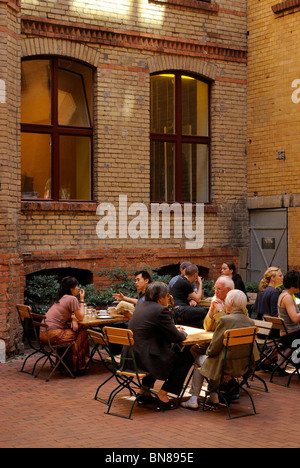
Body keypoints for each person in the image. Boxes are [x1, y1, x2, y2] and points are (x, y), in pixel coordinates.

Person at [126, 282, 194, 410]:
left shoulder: (141, 306)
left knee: (169, 352)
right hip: (146, 360)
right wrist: (182, 332)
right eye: (168, 296)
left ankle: (144, 391)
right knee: (186, 357)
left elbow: (153, 328)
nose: (169, 298)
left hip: (131, 358)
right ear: (160, 298)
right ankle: (163, 395)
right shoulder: (160, 310)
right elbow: (178, 338)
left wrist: (172, 328)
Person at [181, 275, 234, 409]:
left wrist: (221, 312)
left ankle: (195, 398)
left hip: (230, 356)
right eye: (214, 288)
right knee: (197, 352)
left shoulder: (234, 305)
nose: (215, 292)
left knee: (200, 360)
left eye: (219, 289)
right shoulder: (218, 302)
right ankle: (213, 394)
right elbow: (207, 327)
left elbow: (227, 326)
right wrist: (211, 310)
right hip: (221, 348)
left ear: (228, 290)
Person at [200, 289, 258, 405]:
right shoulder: (250, 322)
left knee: (200, 359)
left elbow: (213, 349)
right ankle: (213, 395)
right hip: (243, 365)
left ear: (230, 302)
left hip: (224, 366)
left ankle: (202, 396)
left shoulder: (225, 320)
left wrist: (208, 352)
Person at [40, 276, 89, 374]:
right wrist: (82, 300)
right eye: (76, 286)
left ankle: (64, 364)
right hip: (54, 335)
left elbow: (65, 313)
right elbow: (81, 317)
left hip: (43, 335)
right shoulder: (72, 299)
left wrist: (73, 318)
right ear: (71, 288)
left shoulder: (61, 298)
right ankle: (77, 366)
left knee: (77, 330)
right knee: (82, 331)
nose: (78, 288)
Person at [276, 270, 300, 376]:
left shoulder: (283, 294)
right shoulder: (288, 298)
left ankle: (280, 363)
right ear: (293, 284)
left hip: (286, 332)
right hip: (291, 334)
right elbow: (295, 318)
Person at [170, 263, 206, 328]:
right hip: (179, 310)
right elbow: (198, 299)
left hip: (179, 310)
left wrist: (197, 285)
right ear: (195, 274)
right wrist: (200, 284)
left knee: (201, 322)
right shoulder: (185, 283)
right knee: (206, 311)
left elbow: (200, 297)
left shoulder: (183, 280)